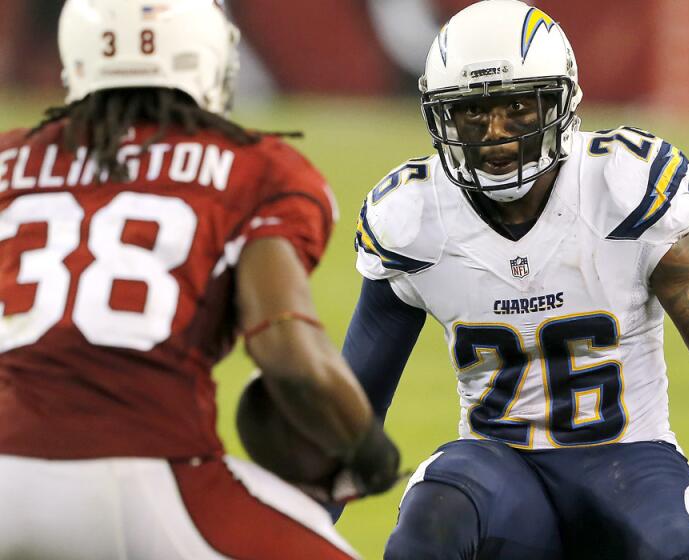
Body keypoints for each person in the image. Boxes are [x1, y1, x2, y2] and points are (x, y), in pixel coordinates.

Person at [341, 1, 689, 559]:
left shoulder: (623, 188)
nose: (494, 133)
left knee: (674, 549)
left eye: (517, 106)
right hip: (499, 470)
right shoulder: (414, 218)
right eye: (472, 112)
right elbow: (351, 407)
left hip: (629, 460)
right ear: (441, 118)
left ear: (560, 104)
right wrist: (299, 529)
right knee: (435, 513)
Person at [0, 0, 399, 558]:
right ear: (207, 56)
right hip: (149, 470)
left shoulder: (10, 158)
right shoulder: (257, 168)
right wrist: (367, 449)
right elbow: (287, 350)